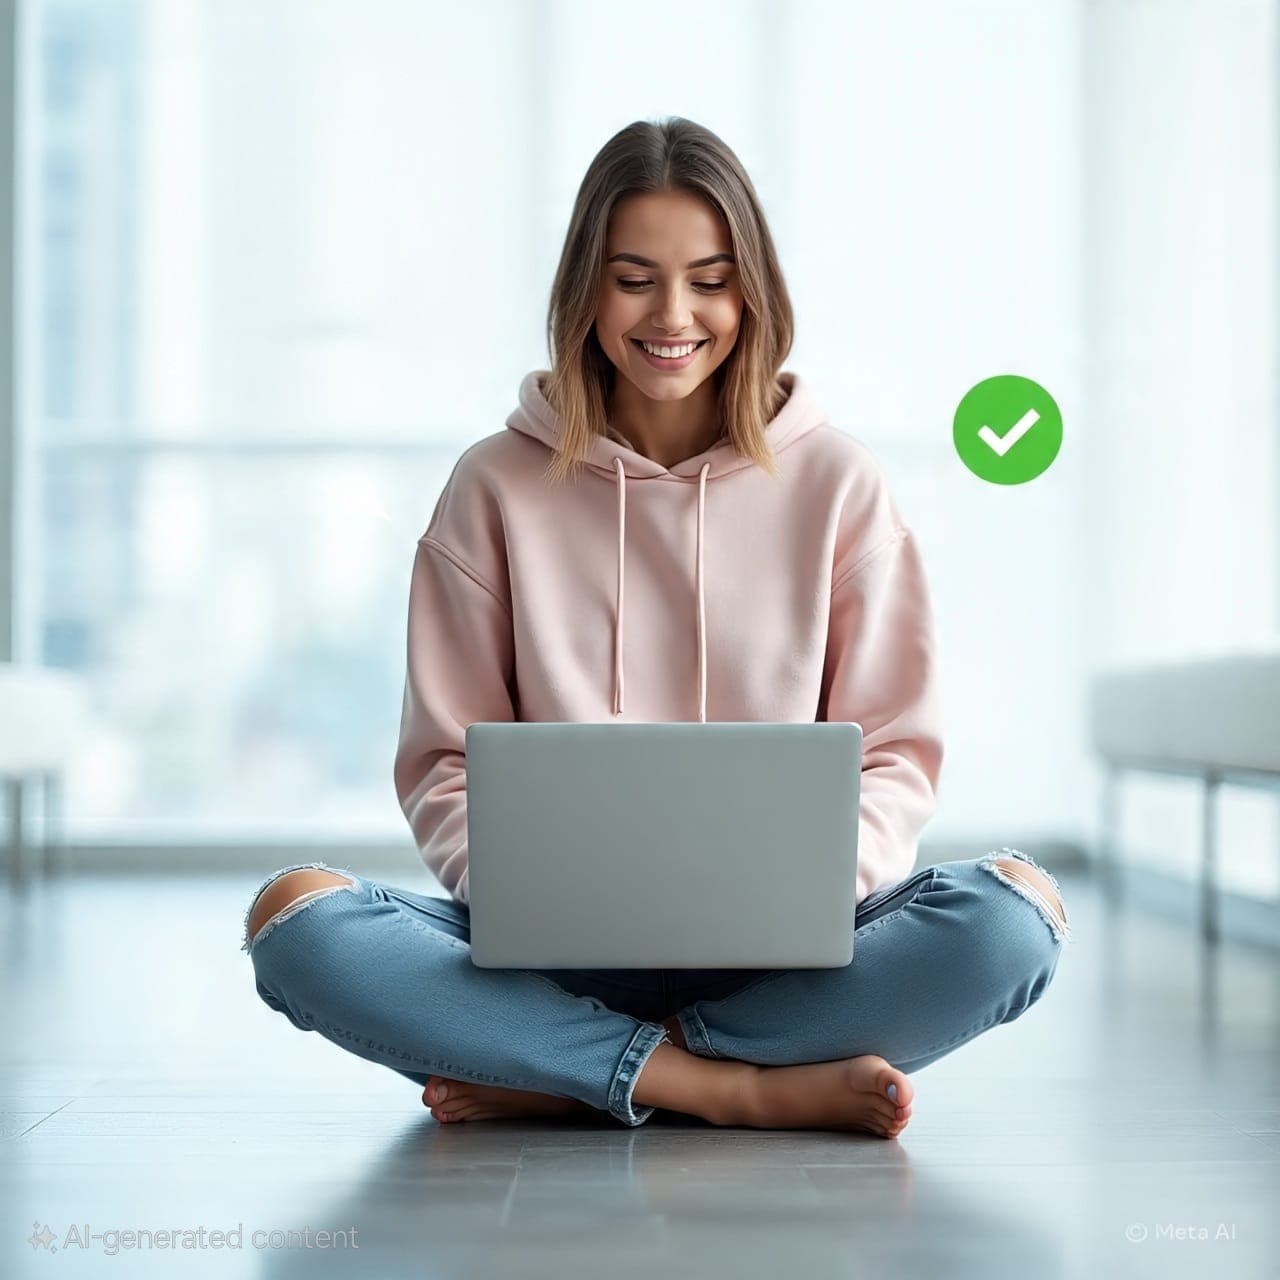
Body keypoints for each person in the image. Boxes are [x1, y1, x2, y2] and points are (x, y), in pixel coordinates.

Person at [242, 117, 1073, 1138]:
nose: (672, 314)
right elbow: (443, 764)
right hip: (550, 948)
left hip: (791, 952)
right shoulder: (491, 486)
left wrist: (812, 889)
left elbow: (895, 753)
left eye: (709, 279)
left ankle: (568, 1066)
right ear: (584, 289)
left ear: (751, 292)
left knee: (1012, 916)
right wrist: (525, 891)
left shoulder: (839, 483)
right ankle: (734, 1082)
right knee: (296, 921)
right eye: (633, 277)